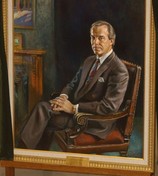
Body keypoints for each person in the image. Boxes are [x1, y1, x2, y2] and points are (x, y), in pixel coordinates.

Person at [18, 20, 129, 150]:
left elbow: (108, 107)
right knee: (43, 109)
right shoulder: (90, 60)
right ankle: (31, 151)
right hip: (74, 111)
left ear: (112, 41)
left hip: (94, 121)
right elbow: (73, 84)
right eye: (93, 37)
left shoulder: (118, 70)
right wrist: (63, 97)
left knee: (42, 112)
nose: (95, 42)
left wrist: (73, 108)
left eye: (101, 38)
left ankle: (22, 150)